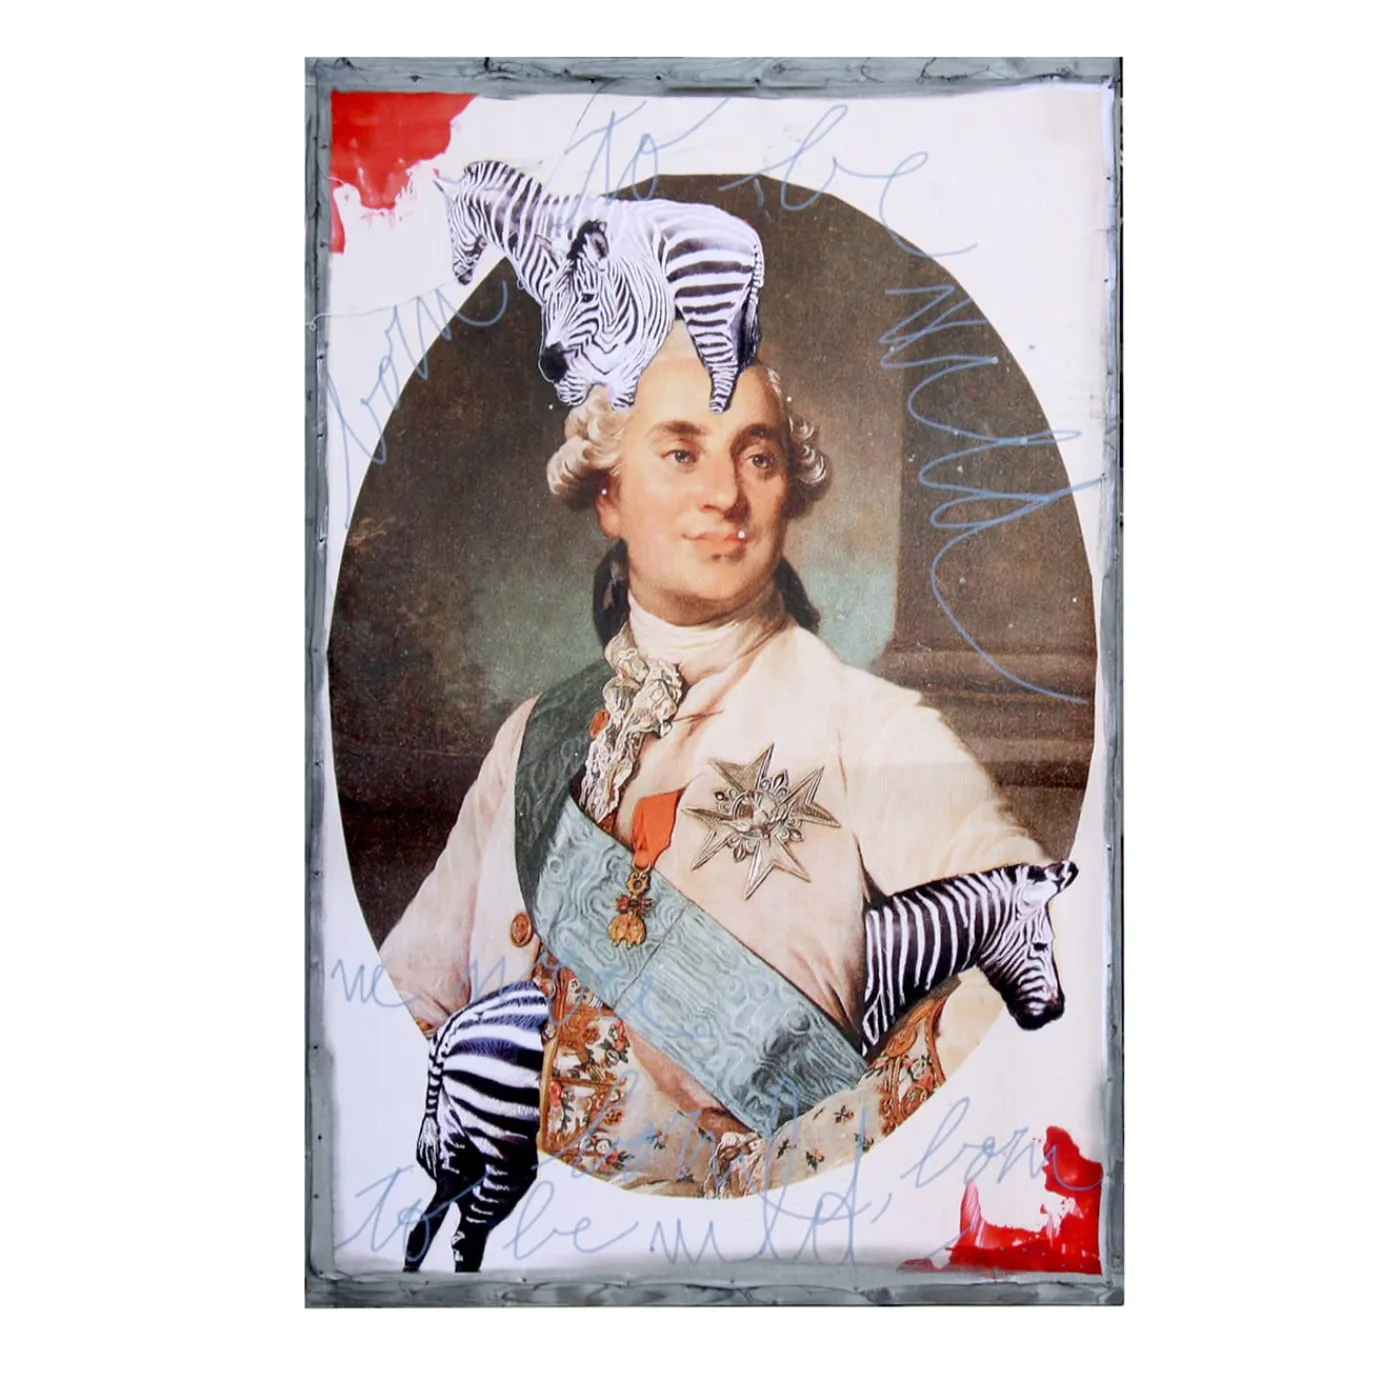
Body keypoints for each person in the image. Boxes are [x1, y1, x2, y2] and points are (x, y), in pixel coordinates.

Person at [379, 323, 1045, 1191]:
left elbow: (1038, 936)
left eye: (757, 458)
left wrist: (813, 1164)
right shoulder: (533, 736)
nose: (726, 494)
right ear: (610, 495)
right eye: (682, 454)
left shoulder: (869, 728)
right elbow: (406, 1000)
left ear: (786, 492)